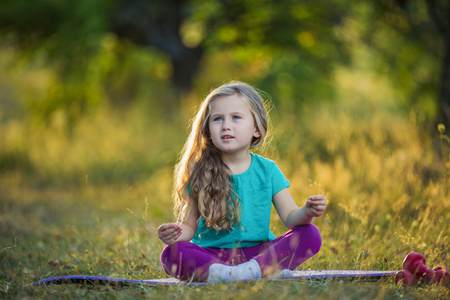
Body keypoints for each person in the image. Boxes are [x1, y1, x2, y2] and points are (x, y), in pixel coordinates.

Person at [158, 81, 326, 283]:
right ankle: (239, 272)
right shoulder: (200, 172)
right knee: (171, 254)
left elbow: (291, 217)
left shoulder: (268, 170)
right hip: (213, 257)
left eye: (236, 117)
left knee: (310, 234)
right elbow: (189, 226)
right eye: (217, 119)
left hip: (259, 254)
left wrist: (307, 212)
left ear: (256, 128)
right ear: (208, 130)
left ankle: (249, 271)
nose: (226, 125)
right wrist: (174, 234)